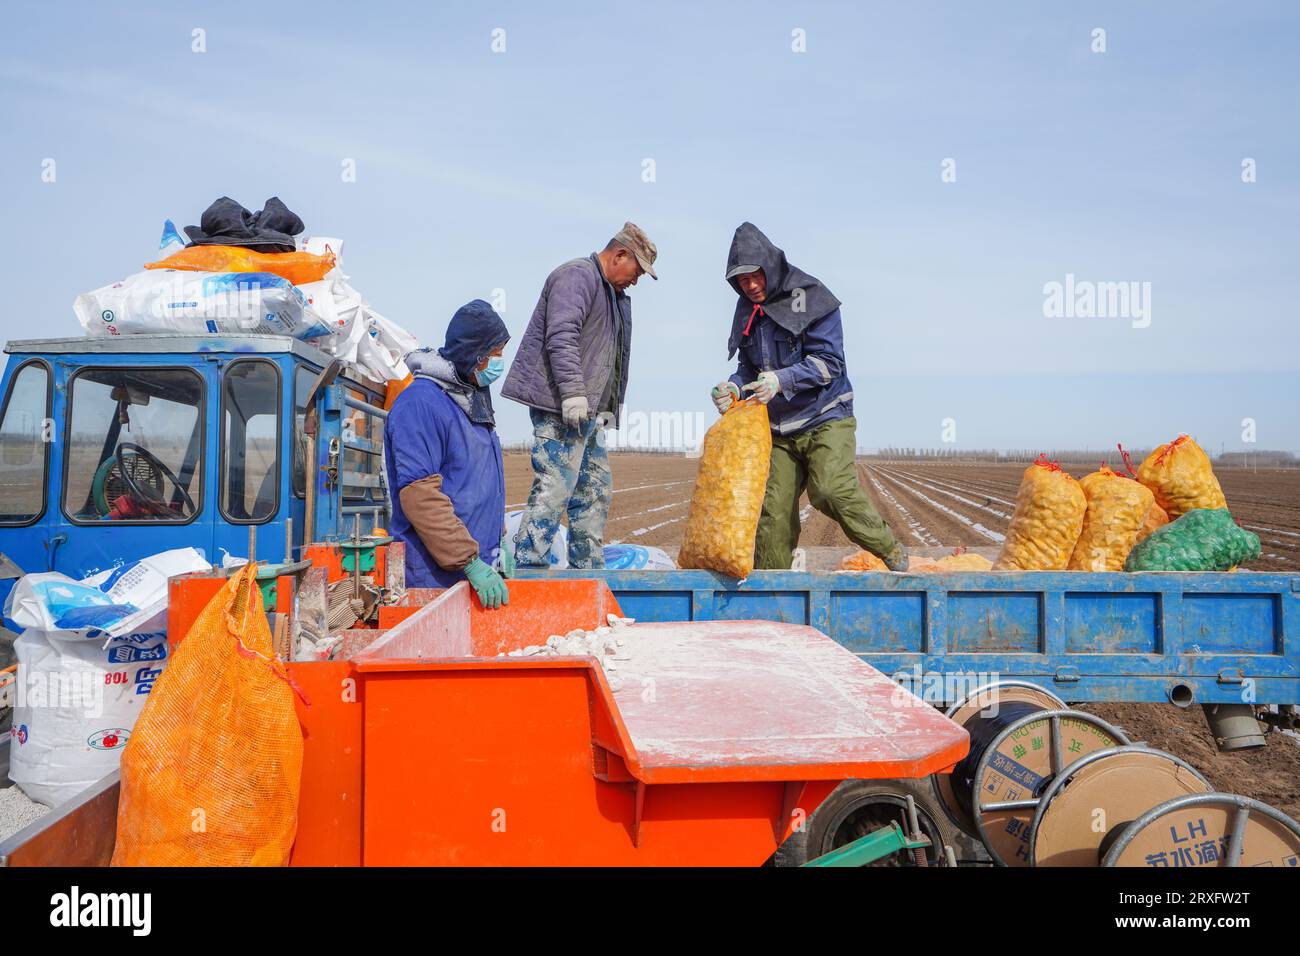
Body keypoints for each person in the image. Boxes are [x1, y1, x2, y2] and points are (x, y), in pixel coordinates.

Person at [710, 222, 906, 571]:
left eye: (756, 276)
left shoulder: (812, 297)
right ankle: (771, 594)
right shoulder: (747, 309)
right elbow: (748, 366)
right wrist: (734, 387)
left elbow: (831, 363)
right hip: (779, 429)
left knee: (830, 490)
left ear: (770, 266)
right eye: (742, 280)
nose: (751, 285)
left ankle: (891, 550)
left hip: (825, 416)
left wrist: (782, 380)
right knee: (773, 513)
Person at [501, 222, 658, 569]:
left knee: (594, 491)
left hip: (586, 414)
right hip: (559, 407)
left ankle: (587, 571)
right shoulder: (577, 276)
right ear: (620, 254)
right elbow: (561, 336)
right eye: (638, 271)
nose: (637, 280)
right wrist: (573, 393)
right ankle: (529, 570)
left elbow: (606, 359)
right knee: (555, 488)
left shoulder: (611, 295)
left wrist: (606, 408)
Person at [385, 299, 513, 608]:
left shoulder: (471, 402)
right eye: (493, 355)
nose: (498, 363)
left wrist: (500, 541)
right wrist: (469, 561)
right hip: (433, 583)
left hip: (470, 578)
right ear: (474, 355)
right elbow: (420, 498)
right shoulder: (421, 404)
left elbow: (477, 482)